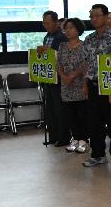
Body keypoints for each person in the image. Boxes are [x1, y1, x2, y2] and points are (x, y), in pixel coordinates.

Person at [82, 3, 111, 168]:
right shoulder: (89, 38)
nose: (94, 19)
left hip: (109, 86)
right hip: (92, 85)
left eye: (97, 15)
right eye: (91, 16)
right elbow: (86, 63)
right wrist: (85, 83)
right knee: (94, 122)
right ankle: (98, 154)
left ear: (106, 17)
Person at [58, 18, 90, 154]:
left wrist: (73, 75)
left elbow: (86, 65)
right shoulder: (62, 46)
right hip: (66, 86)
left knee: (82, 114)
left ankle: (83, 140)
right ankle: (75, 139)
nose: (68, 30)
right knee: (69, 115)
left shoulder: (84, 46)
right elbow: (58, 64)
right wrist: (64, 76)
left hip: (80, 84)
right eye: (66, 28)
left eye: (71, 28)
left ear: (78, 30)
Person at [39, 10, 69, 147]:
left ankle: (63, 137)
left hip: (58, 77)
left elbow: (61, 55)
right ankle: (53, 135)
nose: (46, 25)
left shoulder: (61, 37)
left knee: (59, 109)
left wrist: (47, 51)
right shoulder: (47, 36)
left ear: (56, 22)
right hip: (48, 77)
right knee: (50, 108)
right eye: (44, 23)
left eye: (49, 23)